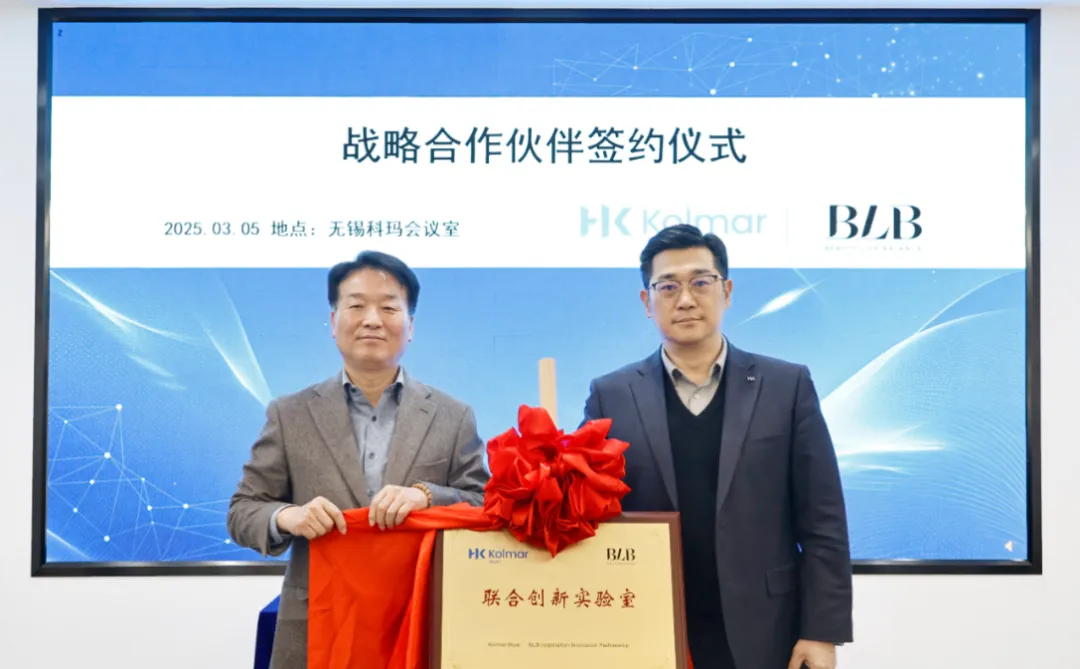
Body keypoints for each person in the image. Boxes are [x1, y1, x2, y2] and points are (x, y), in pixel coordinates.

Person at [582, 225, 853, 669]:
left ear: (726, 292)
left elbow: (824, 520)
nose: (685, 299)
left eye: (701, 282)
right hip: (648, 625)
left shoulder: (786, 386)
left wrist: (822, 631)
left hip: (766, 628)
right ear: (646, 302)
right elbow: (587, 510)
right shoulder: (610, 396)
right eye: (668, 286)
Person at [227, 251, 489, 669]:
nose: (372, 320)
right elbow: (243, 510)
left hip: (417, 622)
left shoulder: (452, 416)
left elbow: (484, 503)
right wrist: (289, 516)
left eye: (388, 307)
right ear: (333, 322)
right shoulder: (290, 414)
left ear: (411, 326)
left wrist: (426, 496)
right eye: (356, 306)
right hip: (318, 627)